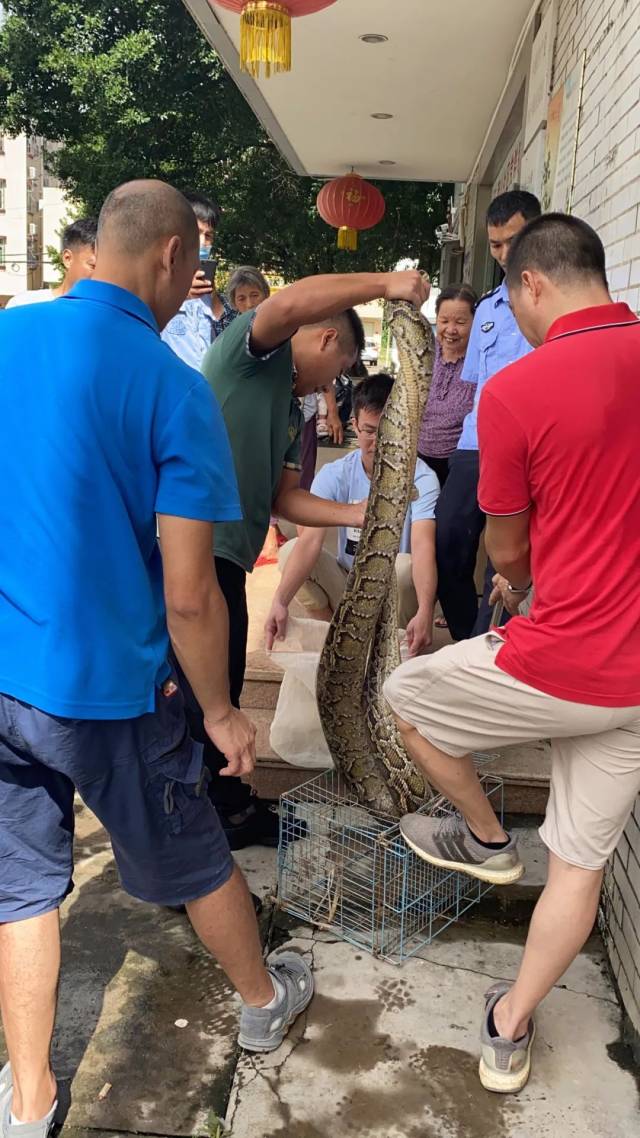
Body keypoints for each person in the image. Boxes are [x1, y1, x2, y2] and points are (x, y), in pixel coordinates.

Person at [0, 180, 315, 1138]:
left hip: (8, 676)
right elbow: (190, 592)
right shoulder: (173, 390)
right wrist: (220, 713)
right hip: (108, 690)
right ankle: (264, 1003)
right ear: (175, 255)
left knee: (19, 890)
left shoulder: (10, 340)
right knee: (191, 854)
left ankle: (28, 1104)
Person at [383, 213, 640, 1095]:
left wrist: (518, 588)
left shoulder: (520, 389)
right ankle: (509, 1027)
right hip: (637, 686)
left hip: (561, 655)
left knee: (407, 698)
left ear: (533, 282)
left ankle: (489, 839)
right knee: (581, 862)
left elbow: (504, 551)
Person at [176, 269, 428, 851]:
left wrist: (359, 513)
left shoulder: (293, 414)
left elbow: (283, 499)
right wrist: (386, 284)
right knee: (193, 699)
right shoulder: (251, 355)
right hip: (188, 549)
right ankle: (190, 838)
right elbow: (288, 303)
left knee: (226, 687)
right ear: (324, 341)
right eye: (339, 369)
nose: (334, 383)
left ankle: (233, 806)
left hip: (228, 560)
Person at [268, 372, 439, 657]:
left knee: (405, 566)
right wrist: (280, 601)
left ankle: (394, 644)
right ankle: (334, 635)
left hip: (392, 590)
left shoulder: (422, 478)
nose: (380, 442)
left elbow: (423, 546)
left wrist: (425, 610)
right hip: (348, 583)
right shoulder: (336, 474)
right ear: (354, 426)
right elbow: (309, 541)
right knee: (291, 551)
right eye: (370, 431)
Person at [435, 190, 541, 641]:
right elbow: (477, 382)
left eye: (511, 241)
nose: (502, 254)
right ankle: (465, 637)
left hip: (529, 447)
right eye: (495, 244)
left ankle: (486, 646)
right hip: (475, 444)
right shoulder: (487, 311)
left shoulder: (546, 302)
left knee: (504, 556)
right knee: (448, 543)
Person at [161, 190, 236, 368]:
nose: (202, 242)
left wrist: (214, 298)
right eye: (196, 232)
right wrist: (180, 294)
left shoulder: (208, 292)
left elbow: (232, 335)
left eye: (208, 236)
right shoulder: (156, 282)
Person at [417, 284, 478, 488]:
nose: (450, 330)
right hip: (417, 459)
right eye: (444, 321)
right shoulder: (425, 353)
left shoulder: (480, 361)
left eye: (460, 322)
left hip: (457, 467)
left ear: (475, 322)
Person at [6, 217, 97, 307]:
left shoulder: (105, 315)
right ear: (67, 258)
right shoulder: (23, 304)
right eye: (93, 266)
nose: (101, 274)